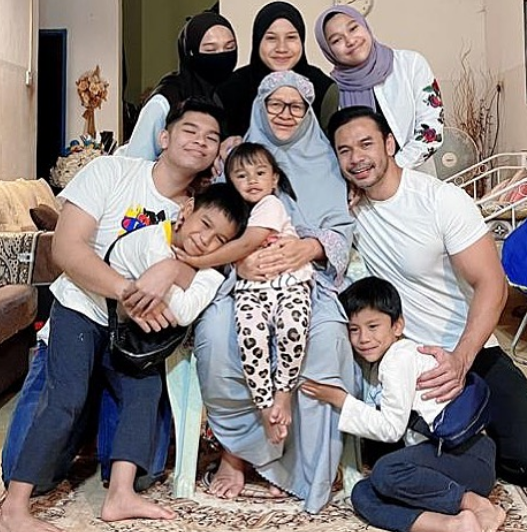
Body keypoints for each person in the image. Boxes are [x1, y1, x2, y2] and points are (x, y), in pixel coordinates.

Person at [0, 98, 228, 532]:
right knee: (59, 409)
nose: (200, 141)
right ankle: (13, 509)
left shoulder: (202, 210)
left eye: (211, 137)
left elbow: (210, 264)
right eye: (190, 130)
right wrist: (128, 291)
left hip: (134, 334)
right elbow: (66, 249)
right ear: (164, 136)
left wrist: (170, 270)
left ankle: (120, 495)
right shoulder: (112, 172)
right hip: (80, 311)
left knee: (144, 426)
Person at [328, 105, 527, 487]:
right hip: (405, 359)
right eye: (344, 150)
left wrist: (461, 359)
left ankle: (472, 444)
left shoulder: (439, 199)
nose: (356, 158)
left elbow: (492, 282)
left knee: (523, 454)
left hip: (468, 348)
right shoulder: (346, 209)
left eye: (366, 144)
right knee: (387, 458)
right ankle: (462, 445)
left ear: (389, 144)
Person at [194, 70, 354, 513]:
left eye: (296, 106)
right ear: (260, 106)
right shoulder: (238, 158)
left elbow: (343, 229)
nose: (285, 114)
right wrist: (239, 261)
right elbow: (217, 225)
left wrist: (311, 247)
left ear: (308, 111)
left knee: (325, 336)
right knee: (218, 334)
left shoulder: (328, 162)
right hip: (242, 282)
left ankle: (303, 467)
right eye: (275, 104)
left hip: (307, 280)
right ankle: (237, 454)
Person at [302, 276, 505, 532]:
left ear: (397, 326)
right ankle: (452, 525)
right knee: (363, 493)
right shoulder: (382, 361)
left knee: (387, 471)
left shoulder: (399, 359)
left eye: (373, 326)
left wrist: (340, 400)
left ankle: (475, 504)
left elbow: (391, 429)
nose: (363, 338)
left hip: (468, 459)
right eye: (354, 330)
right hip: (444, 463)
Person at [178, 142, 312, 444]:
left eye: (260, 173)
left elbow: (247, 244)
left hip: (288, 284)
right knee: (251, 339)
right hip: (251, 290)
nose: (252, 181)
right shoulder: (235, 216)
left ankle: (283, 393)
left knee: (292, 328)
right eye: (241, 175)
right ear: (230, 181)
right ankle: (265, 406)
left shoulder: (271, 205)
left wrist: (198, 261)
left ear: (274, 179)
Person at [315, 5, 443, 174]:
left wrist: (391, 169)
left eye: (353, 28)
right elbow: (333, 150)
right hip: (361, 185)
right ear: (328, 50)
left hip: (415, 180)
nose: (350, 41)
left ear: (365, 26)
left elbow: (432, 128)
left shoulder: (410, 65)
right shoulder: (331, 90)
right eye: (336, 40)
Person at [123, 11, 237, 161]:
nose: (222, 56)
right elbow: (136, 161)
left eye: (229, 48)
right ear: (190, 53)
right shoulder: (165, 101)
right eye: (210, 50)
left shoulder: (232, 92)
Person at [215, 1, 338, 138]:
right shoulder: (230, 90)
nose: (281, 48)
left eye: (291, 37)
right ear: (258, 40)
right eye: (271, 38)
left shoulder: (322, 88)